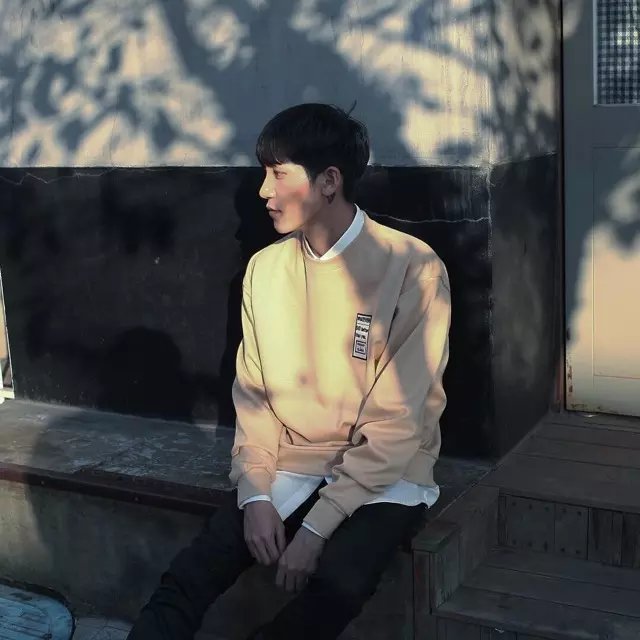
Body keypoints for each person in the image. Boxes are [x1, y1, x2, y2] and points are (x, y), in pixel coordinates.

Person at [126, 103, 451, 640]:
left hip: (386, 471)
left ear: (329, 181)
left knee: (338, 585)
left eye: (278, 173)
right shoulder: (265, 269)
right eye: (265, 173)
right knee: (188, 576)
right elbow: (254, 398)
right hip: (291, 463)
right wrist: (255, 493)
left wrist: (317, 528)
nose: (263, 191)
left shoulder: (414, 268)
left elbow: (398, 422)